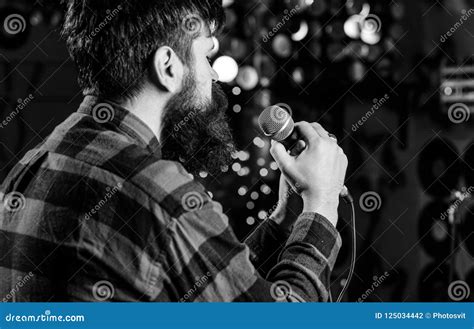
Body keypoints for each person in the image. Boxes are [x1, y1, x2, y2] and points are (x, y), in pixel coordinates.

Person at [0, 0, 347, 302]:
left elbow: (215, 292)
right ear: (167, 66)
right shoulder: (158, 192)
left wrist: (286, 218)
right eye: (206, 54)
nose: (213, 74)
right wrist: (322, 203)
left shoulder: (29, 167)